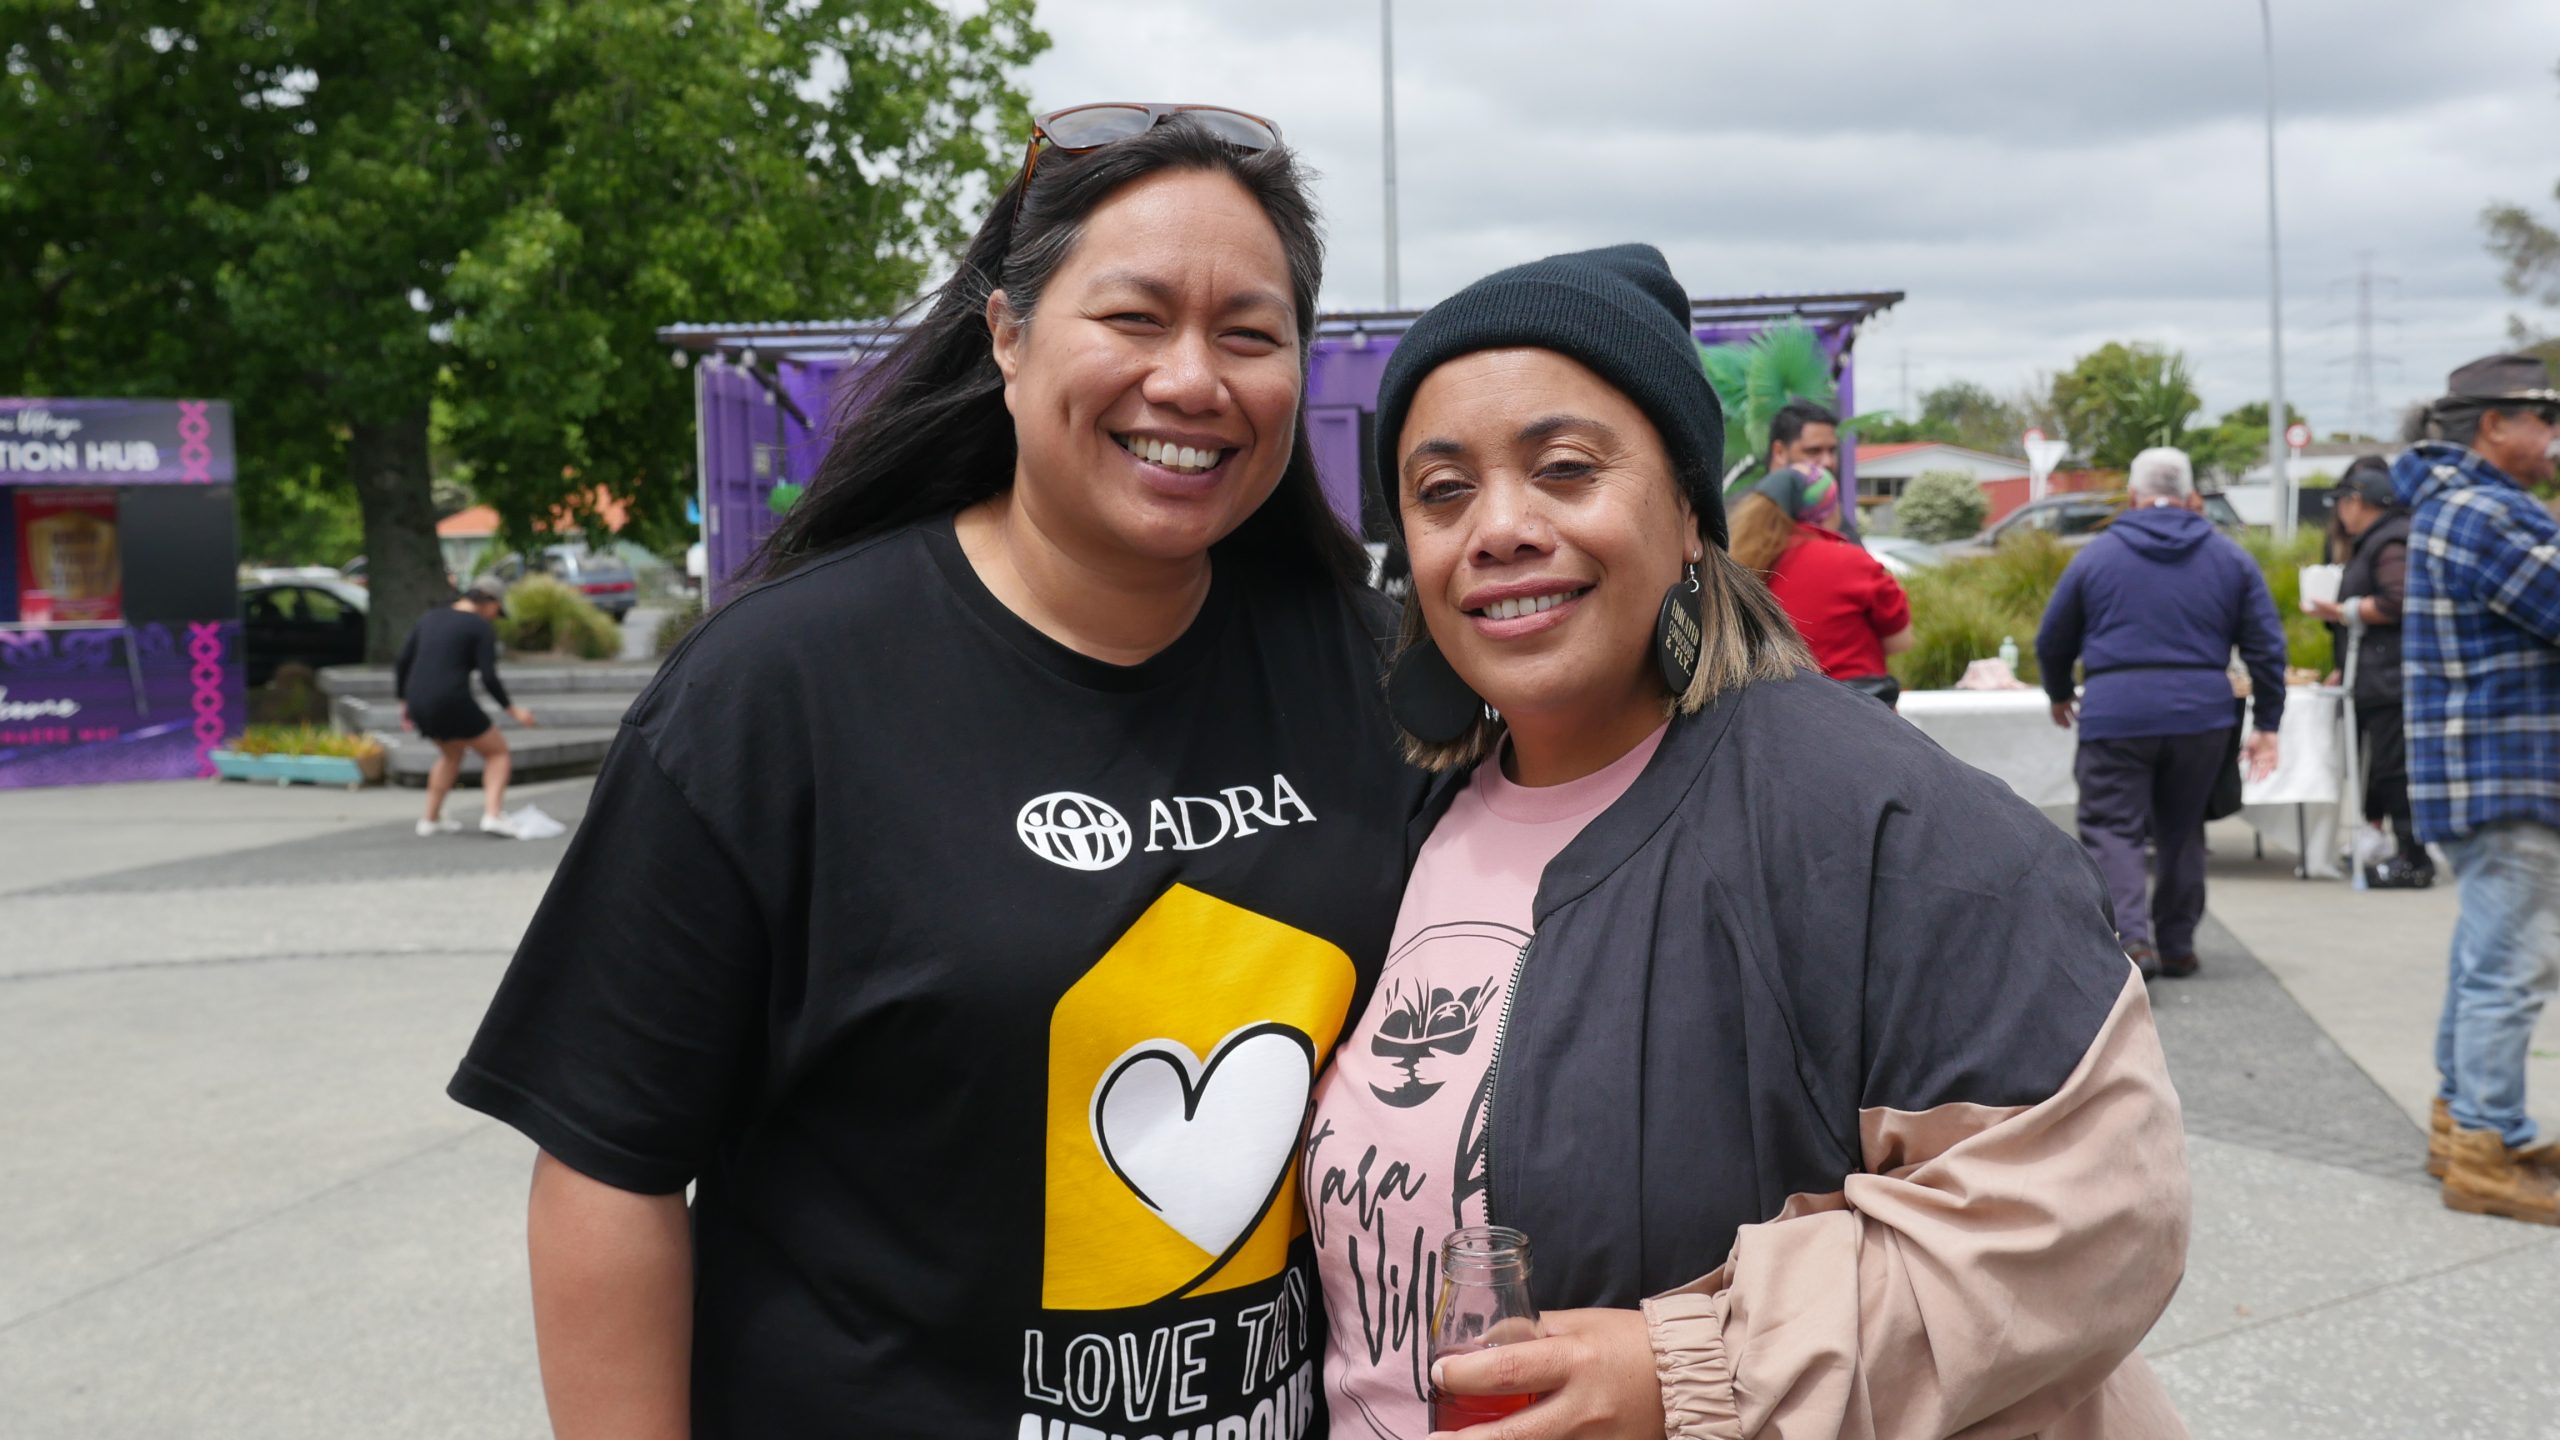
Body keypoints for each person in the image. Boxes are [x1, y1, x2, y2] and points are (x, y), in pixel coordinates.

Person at [447, 109, 1420, 1435]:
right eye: (1134, 318)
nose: (1193, 380)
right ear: (1006, 334)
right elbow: (609, 1172)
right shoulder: (775, 693)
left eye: (1249, 335)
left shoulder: (1377, 679)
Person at [1305, 243, 2188, 1438]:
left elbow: (2084, 1223)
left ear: (1685, 515)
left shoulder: (1871, 819)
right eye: (1441, 490)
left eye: (1564, 469)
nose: (1500, 527)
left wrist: (1692, 1372)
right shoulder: (1397, 825)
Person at [2395, 351, 2560, 1223]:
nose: (2553, 438)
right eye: (2544, 420)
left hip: (2488, 775)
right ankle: (2489, 1146)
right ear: (2493, 424)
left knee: (2484, 959)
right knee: (2510, 966)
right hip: (2511, 774)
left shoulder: (2457, 505)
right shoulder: (2482, 512)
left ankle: (2464, 1122)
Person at [2035, 446, 2285, 980]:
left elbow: (2053, 638)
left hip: (2116, 711)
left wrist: (2059, 691)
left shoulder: (2097, 556)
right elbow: (2267, 648)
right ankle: (2176, 945)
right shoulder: (2230, 557)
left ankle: (2131, 942)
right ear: (2194, 498)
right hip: (2202, 715)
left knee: (2112, 827)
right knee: (2182, 827)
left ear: (2132, 498)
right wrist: (2268, 724)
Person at [2309, 455, 2427, 888]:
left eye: (2343, 502)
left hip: (2389, 676)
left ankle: (2413, 857)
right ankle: (2406, 852)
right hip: (2377, 673)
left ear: (2359, 502)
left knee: (2394, 768)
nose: (2339, 512)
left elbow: (2398, 599)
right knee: (2387, 766)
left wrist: (2343, 610)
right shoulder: (2382, 537)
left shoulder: (2389, 539)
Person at [1724, 470, 1913, 695]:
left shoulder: (1742, 566)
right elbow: (1901, 641)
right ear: (1828, 511)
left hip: (1780, 709)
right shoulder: (1851, 561)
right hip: (1856, 709)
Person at [395, 574, 536, 838]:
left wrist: (403, 701)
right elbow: (488, 676)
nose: (496, 616)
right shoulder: (479, 627)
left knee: (451, 754)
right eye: (497, 609)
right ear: (488, 600)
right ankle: (493, 815)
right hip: (451, 699)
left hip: (418, 701)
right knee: (497, 753)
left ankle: (430, 819)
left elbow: (403, 661)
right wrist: (512, 710)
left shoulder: (430, 617)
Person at [1762, 397, 1855, 539]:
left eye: (1832, 450)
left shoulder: (1829, 511)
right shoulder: (1743, 514)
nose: (1828, 462)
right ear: (1779, 452)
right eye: (1813, 451)